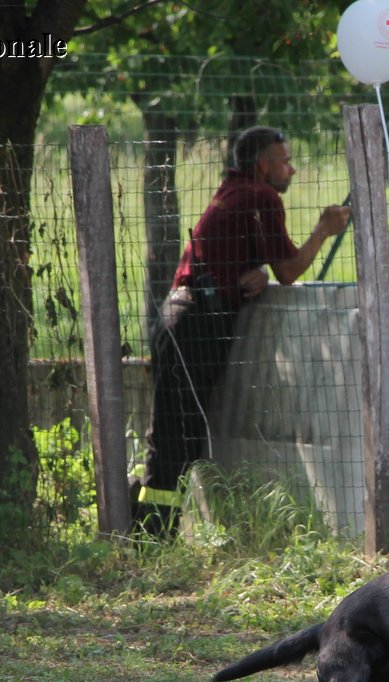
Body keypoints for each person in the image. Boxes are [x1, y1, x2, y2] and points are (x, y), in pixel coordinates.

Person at [136, 126, 349, 527]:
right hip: (195, 322)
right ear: (262, 164)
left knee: (176, 430)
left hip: (180, 316)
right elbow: (289, 271)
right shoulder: (259, 195)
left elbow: (239, 261)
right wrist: (324, 228)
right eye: (284, 161)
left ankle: (149, 525)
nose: (292, 169)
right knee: (176, 435)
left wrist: (255, 273)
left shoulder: (233, 192)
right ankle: (149, 530)